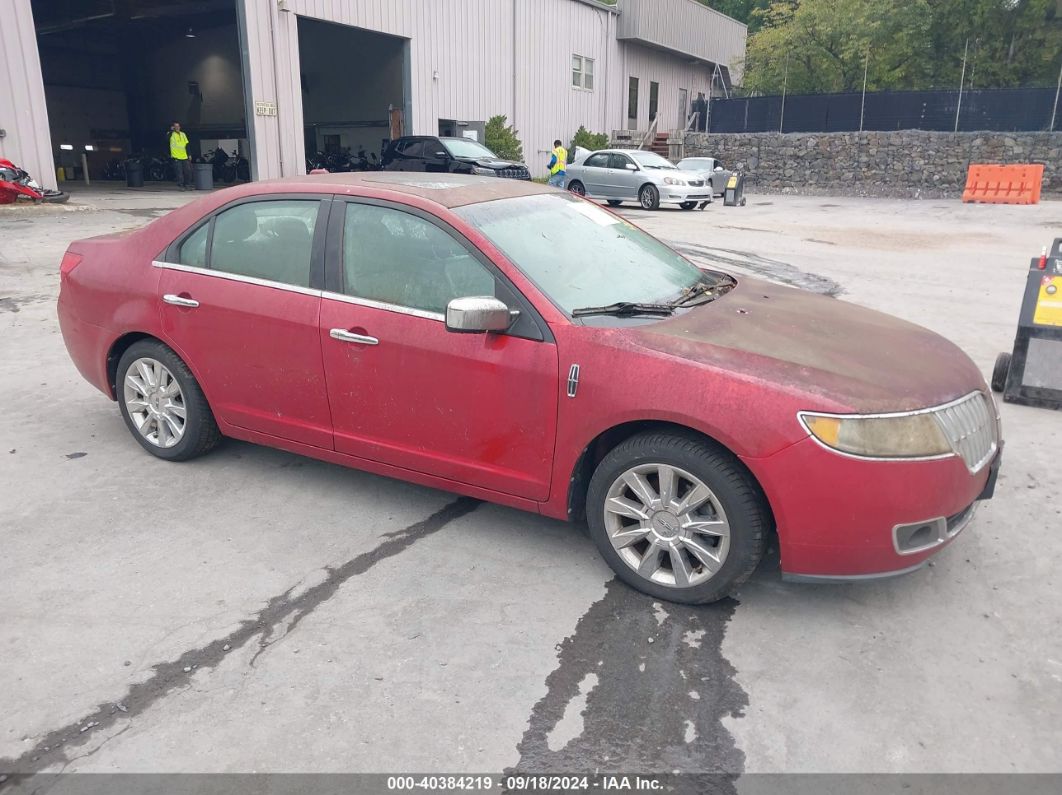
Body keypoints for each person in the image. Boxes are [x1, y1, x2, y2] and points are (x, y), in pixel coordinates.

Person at [168, 121, 192, 190]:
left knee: (188, 171)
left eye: (178, 126)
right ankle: (181, 186)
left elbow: (187, 145)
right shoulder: (171, 134)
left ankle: (187, 185)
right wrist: (171, 130)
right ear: (173, 127)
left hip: (184, 156)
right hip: (176, 156)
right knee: (179, 172)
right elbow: (166, 139)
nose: (177, 127)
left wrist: (189, 154)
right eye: (175, 126)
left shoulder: (183, 134)